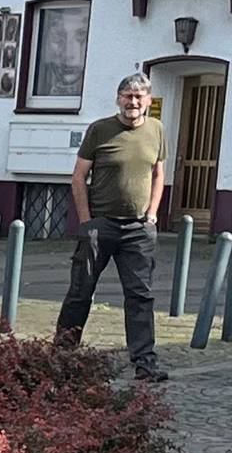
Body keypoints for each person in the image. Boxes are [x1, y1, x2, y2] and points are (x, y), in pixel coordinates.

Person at [53, 73, 169, 382]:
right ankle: (62, 356)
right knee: (80, 291)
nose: (133, 102)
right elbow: (79, 177)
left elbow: (159, 174)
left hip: (137, 230)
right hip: (100, 225)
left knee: (140, 296)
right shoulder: (100, 130)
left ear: (148, 101)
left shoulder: (156, 129)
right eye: (127, 96)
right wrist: (87, 220)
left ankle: (145, 363)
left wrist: (152, 215)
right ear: (118, 98)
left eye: (139, 97)